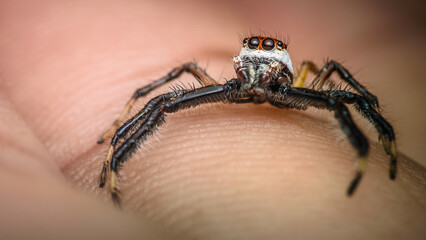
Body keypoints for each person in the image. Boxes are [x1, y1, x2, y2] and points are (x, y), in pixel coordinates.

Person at [1, 1, 425, 239]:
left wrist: (374, 142)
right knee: (163, 100)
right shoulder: (236, 82)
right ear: (243, 65)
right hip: (254, 88)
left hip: (286, 90)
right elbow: (154, 98)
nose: (256, 75)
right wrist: (115, 139)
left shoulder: (296, 81)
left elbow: (350, 98)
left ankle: (369, 154)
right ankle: (116, 156)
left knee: (340, 94)